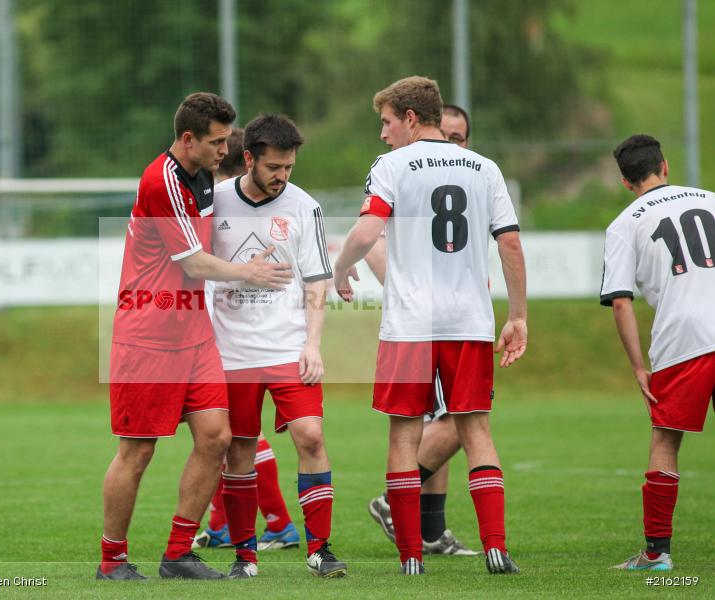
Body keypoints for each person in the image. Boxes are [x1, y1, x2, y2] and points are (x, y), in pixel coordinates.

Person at [333, 76, 527, 575]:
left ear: (411, 119)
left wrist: (339, 267)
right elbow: (509, 244)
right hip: (469, 321)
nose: (383, 134)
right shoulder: (485, 167)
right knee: (476, 429)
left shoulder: (392, 166)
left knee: (404, 434)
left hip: (410, 325)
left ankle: (411, 557)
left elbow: (369, 229)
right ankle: (496, 548)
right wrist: (519, 316)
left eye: (387, 122)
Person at [99, 93, 293, 581]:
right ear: (188, 139)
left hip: (194, 332)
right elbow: (192, 263)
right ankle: (112, 560)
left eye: (228, 140)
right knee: (138, 452)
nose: (224, 150)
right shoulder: (160, 180)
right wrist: (249, 273)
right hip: (148, 335)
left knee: (216, 438)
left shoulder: (205, 172)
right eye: (215, 141)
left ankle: (178, 553)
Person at [210, 114, 346, 578]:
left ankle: (320, 550)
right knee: (240, 448)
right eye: (274, 168)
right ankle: (244, 556)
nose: (282, 177)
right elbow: (192, 262)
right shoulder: (217, 200)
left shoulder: (304, 206)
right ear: (248, 158)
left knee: (311, 435)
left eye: (289, 168)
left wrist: (313, 344)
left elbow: (316, 281)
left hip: (289, 348)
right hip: (231, 351)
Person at [365, 104, 478, 557]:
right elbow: (373, 238)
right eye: (447, 134)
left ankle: (431, 532)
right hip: (425, 322)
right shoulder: (402, 174)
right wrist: (411, 294)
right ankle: (393, 501)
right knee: (457, 420)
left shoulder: (467, 178)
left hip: (458, 316)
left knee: (443, 419)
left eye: (461, 137)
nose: (454, 144)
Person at [603, 135, 715, 572]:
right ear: (665, 166)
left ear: (626, 182)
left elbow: (620, 300)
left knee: (666, 440)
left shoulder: (624, 223)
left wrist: (637, 366)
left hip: (683, 338)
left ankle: (656, 554)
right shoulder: (711, 199)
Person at [195, 128, 302, 552]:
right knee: (223, 439)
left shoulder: (221, 202)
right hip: (215, 330)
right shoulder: (214, 200)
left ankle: (277, 523)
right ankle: (225, 524)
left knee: (231, 437)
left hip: (227, 337)